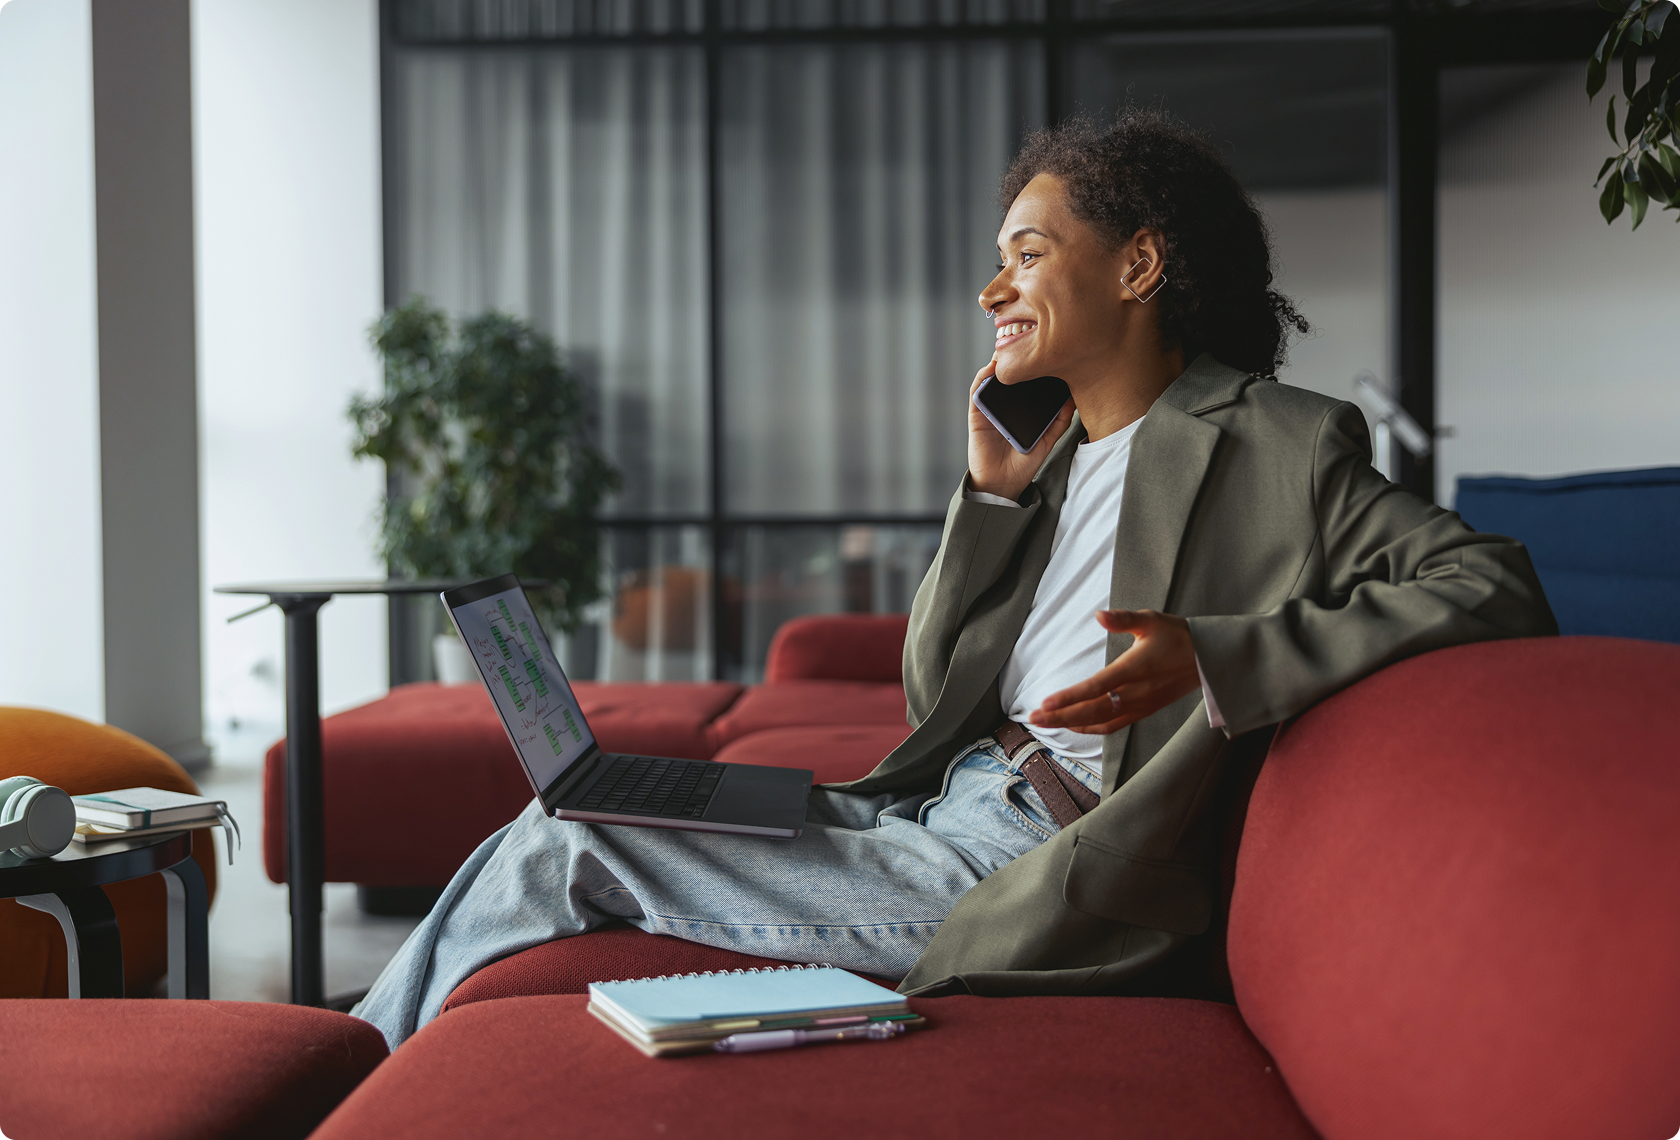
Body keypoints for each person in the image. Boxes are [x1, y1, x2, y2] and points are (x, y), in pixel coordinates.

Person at [354, 109, 1554, 1048]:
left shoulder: (1280, 440)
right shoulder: (1059, 457)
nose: (993, 292)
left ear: (1139, 266)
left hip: (1047, 867)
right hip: (944, 806)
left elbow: (1491, 583)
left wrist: (1221, 654)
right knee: (595, 803)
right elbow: (934, 691)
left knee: (566, 838)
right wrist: (986, 503)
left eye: (1028, 256)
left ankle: (343, 1076)